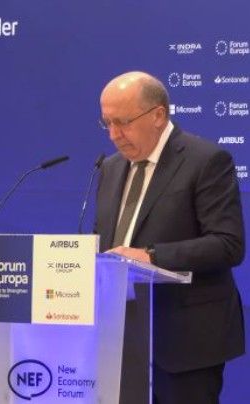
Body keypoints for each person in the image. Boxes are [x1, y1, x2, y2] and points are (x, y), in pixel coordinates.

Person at [94, 71, 245, 404]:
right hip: (121, 340)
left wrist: (150, 256)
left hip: (186, 341)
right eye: (108, 123)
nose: (114, 134)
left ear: (158, 115)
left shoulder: (206, 161)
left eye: (123, 122)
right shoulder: (110, 168)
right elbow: (104, 240)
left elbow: (228, 244)